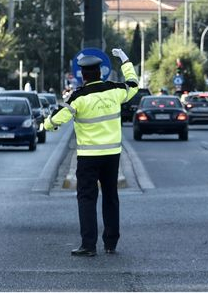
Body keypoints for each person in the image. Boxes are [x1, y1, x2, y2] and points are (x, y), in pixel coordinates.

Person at [44, 49, 138, 257]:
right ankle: (111, 243)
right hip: (112, 155)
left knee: (87, 199)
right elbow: (133, 84)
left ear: (83, 75)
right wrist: (125, 61)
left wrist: (46, 124)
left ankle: (88, 245)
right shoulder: (115, 91)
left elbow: (59, 117)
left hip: (88, 158)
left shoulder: (79, 97)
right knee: (111, 197)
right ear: (101, 73)